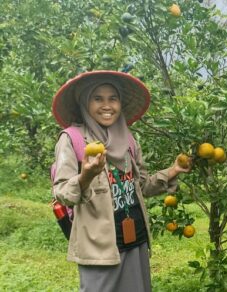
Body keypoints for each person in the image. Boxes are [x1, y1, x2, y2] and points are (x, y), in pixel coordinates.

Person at [51, 70, 190, 291]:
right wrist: (86, 176)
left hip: (135, 238)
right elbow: (62, 192)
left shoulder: (128, 140)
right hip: (100, 245)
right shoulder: (73, 139)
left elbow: (142, 186)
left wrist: (173, 170)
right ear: (85, 102)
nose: (107, 105)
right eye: (98, 98)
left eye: (112, 98)